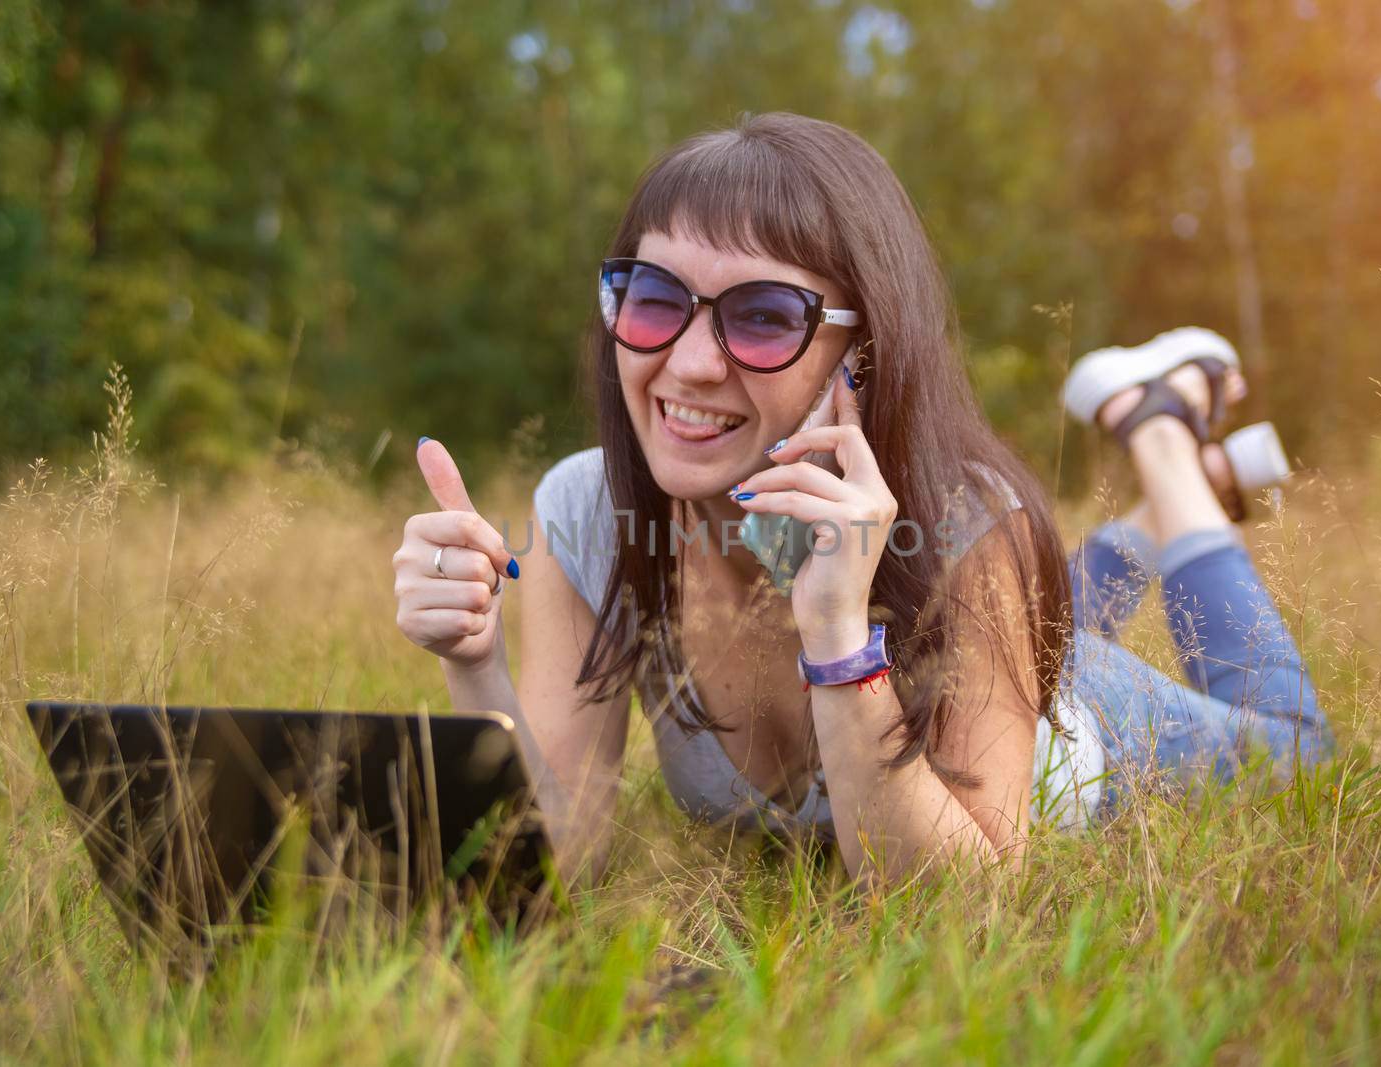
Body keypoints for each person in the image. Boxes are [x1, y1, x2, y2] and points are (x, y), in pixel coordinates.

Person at [390, 112, 1333, 889]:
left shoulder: (970, 526)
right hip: (985, 635)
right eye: (652, 298)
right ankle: (1186, 491)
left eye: (762, 316)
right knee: (1034, 618)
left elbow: (958, 908)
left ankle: (1163, 432)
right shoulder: (587, 517)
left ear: (864, 350)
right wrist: (476, 668)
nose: (685, 362)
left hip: (1084, 714)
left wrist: (839, 636)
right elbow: (570, 854)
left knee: (1298, 750)